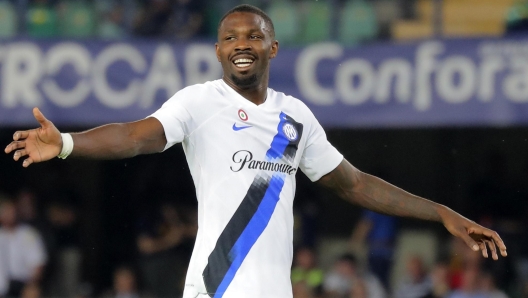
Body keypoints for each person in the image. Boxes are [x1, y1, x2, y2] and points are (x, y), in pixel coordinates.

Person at [4, 4, 507, 298]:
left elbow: (353, 183)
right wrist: (69, 143)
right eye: (229, 37)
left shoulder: (296, 117)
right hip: (214, 286)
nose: (241, 42)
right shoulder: (201, 102)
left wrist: (442, 213)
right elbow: (138, 136)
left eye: (253, 36)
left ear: (272, 48)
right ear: (219, 50)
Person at [0, 194, 47, 297]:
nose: (9, 214)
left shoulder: (28, 234)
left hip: (23, 284)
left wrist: (32, 285)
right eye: (5, 211)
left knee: (32, 293)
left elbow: (37, 263)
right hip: (2, 286)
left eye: (11, 211)